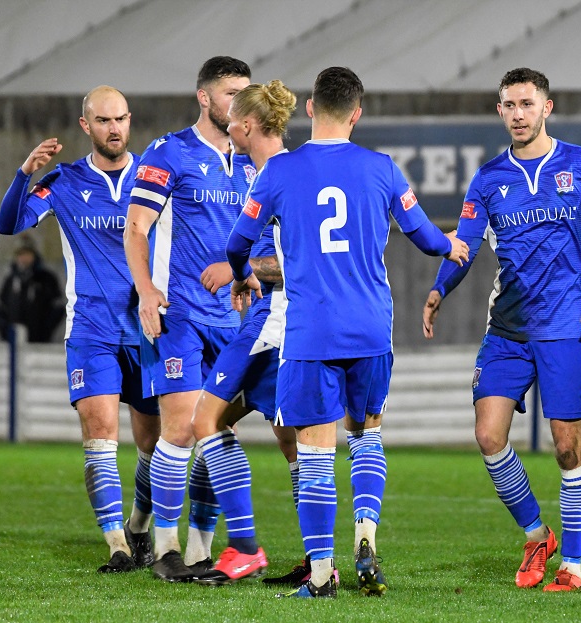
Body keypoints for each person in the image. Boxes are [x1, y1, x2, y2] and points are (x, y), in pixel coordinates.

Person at [226, 66, 469, 599]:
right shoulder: (381, 169)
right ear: (356, 114)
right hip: (369, 330)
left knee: (315, 454)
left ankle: (319, 577)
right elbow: (425, 237)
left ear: (310, 108)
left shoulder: (279, 173)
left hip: (312, 332)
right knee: (367, 435)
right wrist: (451, 245)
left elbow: (237, 243)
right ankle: (366, 537)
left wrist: (244, 272)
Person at [422, 67, 581, 592]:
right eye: (508, 105)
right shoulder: (488, 178)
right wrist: (438, 289)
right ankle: (538, 533)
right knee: (488, 435)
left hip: (569, 326)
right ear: (499, 112)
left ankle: (573, 567)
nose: (517, 114)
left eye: (526, 103)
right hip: (509, 328)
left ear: (547, 107)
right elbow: (465, 245)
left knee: (567, 449)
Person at [0, 86, 161, 573]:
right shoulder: (64, 182)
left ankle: (137, 527)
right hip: (91, 329)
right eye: (104, 120)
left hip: (150, 329)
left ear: (130, 121)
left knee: (155, 444)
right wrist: (24, 173)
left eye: (122, 119)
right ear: (86, 126)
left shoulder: (155, 178)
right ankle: (117, 545)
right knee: (100, 433)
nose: (115, 128)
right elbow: (9, 224)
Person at [123, 56, 254, 582]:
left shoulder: (254, 161)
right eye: (230, 93)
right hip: (179, 316)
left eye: (247, 93)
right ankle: (166, 549)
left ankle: (199, 552)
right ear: (204, 97)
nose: (240, 104)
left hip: (235, 322)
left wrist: (248, 280)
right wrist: (147, 290)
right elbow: (136, 229)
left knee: (215, 432)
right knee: (178, 431)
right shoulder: (169, 152)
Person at [189, 80, 299, 586]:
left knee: (205, 420)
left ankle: (246, 546)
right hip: (283, 321)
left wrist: (241, 271)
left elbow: (294, 261)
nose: (227, 126)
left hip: (271, 322)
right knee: (291, 442)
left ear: (247, 125)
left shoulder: (275, 175)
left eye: (232, 119)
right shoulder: (284, 169)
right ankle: (318, 561)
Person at [0, 240, 64, 343]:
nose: (24, 258)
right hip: (14, 341)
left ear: (34, 255)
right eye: (20, 254)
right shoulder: (10, 280)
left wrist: (45, 331)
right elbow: (1, 308)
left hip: (40, 340)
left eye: (27, 254)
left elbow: (58, 307)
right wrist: (6, 333)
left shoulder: (46, 278)